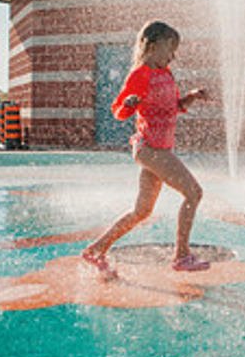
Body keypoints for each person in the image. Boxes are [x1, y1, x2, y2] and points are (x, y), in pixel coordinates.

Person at [81, 20, 210, 278]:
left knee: (142, 211)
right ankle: (182, 256)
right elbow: (118, 111)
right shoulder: (140, 75)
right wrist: (128, 104)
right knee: (194, 192)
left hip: (158, 148)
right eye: (170, 48)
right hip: (150, 148)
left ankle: (96, 250)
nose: (173, 55)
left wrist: (191, 97)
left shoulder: (166, 73)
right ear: (151, 46)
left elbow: (174, 106)